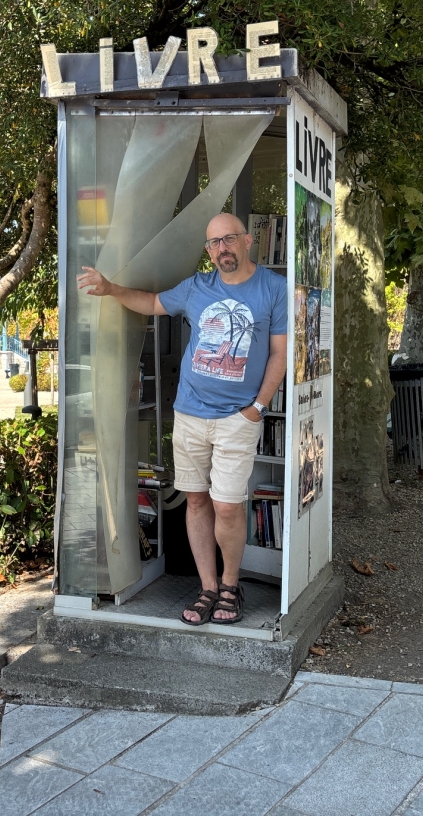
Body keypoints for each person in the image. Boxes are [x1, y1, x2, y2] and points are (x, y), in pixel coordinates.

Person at [77, 213, 287, 626]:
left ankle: (231, 584)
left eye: (228, 240)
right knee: (195, 500)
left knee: (227, 506)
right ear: (208, 250)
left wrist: (257, 408)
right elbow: (153, 304)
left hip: (237, 418)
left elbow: (279, 354)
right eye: (213, 244)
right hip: (190, 415)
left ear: (246, 241)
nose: (221, 249)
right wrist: (110, 289)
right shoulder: (196, 287)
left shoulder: (273, 288)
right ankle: (208, 588)